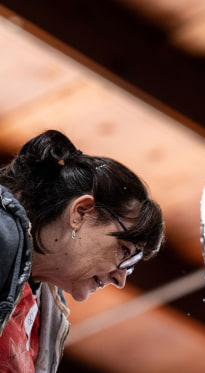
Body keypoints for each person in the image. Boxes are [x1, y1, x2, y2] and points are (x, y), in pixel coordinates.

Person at [0, 130, 165, 372]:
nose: (120, 278)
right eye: (125, 251)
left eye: (131, 265)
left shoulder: (46, 311)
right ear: (81, 212)